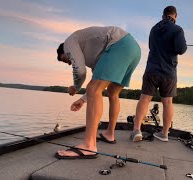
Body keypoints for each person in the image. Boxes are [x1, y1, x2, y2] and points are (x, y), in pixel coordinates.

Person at [55, 26, 141, 158]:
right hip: (133, 50)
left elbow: (80, 72)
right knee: (112, 92)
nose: (67, 63)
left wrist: (75, 87)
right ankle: (110, 134)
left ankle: (89, 145)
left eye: (64, 59)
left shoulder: (69, 43)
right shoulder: (96, 57)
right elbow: (97, 86)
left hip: (118, 44)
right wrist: (83, 100)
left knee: (94, 88)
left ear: (63, 51)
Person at [130, 6, 187, 142]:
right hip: (169, 72)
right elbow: (181, 49)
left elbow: (151, 46)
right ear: (175, 16)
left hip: (152, 69)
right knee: (167, 102)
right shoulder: (178, 29)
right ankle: (164, 133)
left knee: (144, 99)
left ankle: (137, 130)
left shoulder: (154, 29)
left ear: (163, 15)